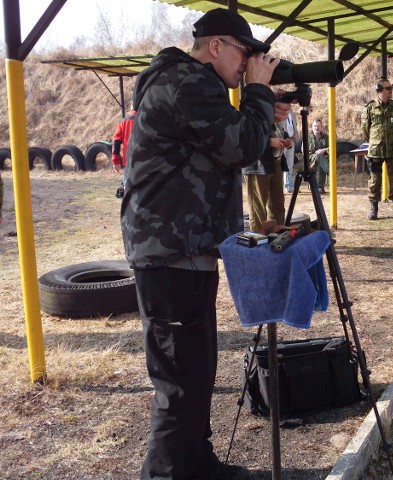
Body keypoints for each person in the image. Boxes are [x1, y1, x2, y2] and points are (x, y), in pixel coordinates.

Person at [120, 8, 288, 480]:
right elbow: (240, 145)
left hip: (184, 248)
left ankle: (197, 464)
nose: (250, 63)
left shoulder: (193, 84)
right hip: (172, 251)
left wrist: (257, 107)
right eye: (245, 53)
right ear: (216, 46)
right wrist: (256, 95)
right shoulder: (187, 82)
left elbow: (229, 143)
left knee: (195, 375)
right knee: (179, 384)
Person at [361, 78, 393, 220]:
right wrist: (374, 141)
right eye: (388, 88)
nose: (391, 90)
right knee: (374, 181)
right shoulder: (370, 108)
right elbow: (365, 130)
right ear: (379, 90)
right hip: (376, 151)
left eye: (391, 87)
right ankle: (374, 209)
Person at [243, 118, 291, 232]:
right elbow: (245, 137)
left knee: (277, 204)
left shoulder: (275, 116)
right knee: (258, 210)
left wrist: (287, 141)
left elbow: (282, 132)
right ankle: (259, 243)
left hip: (275, 163)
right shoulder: (251, 111)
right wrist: (270, 142)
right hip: (257, 166)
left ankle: (277, 238)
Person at [111, 106, 136, 198]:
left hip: (128, 162)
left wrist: (116, 161)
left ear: (131, 107)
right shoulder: (149, 118)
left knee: (128, 192)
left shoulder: (123, 122)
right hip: (147, 162)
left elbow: (116, 142)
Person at [277, 88, 298, 193]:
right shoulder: (279, 111)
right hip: (283, 140)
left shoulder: (291, 112)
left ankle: (289, 184)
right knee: (282, 164)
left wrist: (295, 136)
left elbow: (294, 124)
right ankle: (281, 185)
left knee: (290, 163)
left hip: (291, 140)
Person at [308, 118, 330, 194]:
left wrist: (324, 150)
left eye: (318, 126)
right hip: (310, 158)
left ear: (321, 127)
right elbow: (304, 150)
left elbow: (332, 147)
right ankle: (330, 171)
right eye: (315, 126)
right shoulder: (308, 137)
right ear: (312, 127)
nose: (316, 128)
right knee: (319, 157)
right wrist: (316, 152)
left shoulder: (326, 137)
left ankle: (320, 187)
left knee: (321, 159)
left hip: (323, 159)